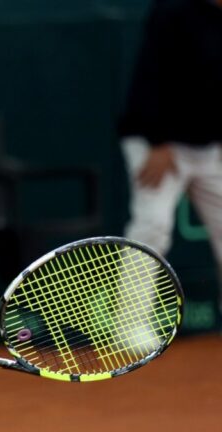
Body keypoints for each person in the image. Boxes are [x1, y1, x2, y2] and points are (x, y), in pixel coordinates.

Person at [118, 0, 222, 320]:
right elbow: (151, 73)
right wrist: (158, 141)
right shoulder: (173, 10)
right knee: (153, 226)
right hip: (156, 144)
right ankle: (129, 325)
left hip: (207, 145)